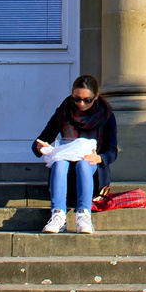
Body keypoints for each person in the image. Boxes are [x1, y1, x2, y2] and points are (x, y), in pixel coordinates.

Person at [30, 74, 117, 234]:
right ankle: (58, 215)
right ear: (72, 94)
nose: (81, 104)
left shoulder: (106, 115)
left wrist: (99, 158)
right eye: (77, 99)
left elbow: (112, 150)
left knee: (84, 163)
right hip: (65, 172)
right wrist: (40, 147)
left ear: (96, 97)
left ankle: (84, 215)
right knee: (60, 162)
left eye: (87, 100)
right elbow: (41, 140)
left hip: (91, 170)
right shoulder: (63, 112)